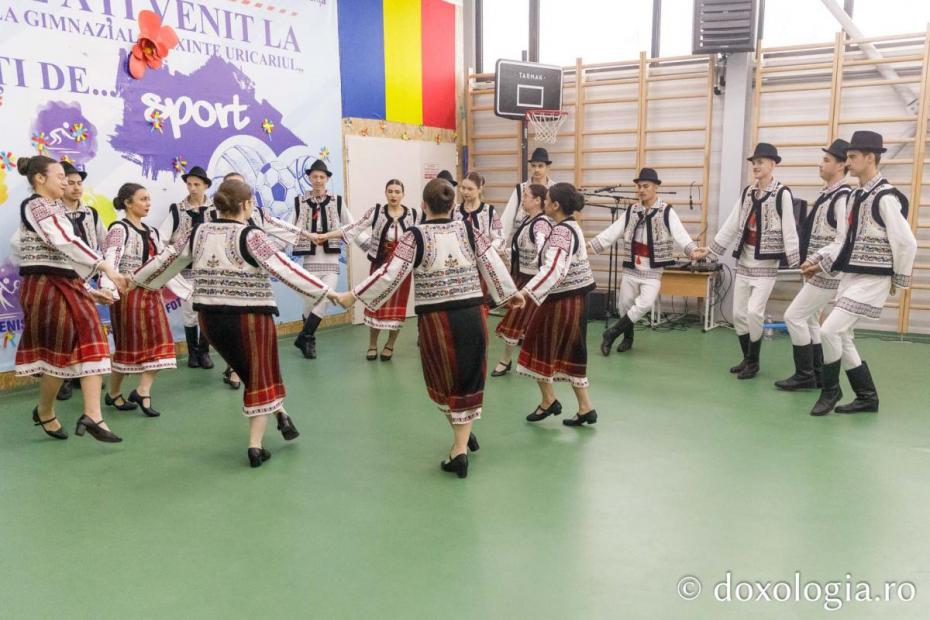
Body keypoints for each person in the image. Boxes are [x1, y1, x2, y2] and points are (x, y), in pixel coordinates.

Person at [132, 179, 342, 467]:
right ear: (246, 205)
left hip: (211, 320)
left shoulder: (198, 232)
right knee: (260, 376)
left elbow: (165, 261)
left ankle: (281, 414)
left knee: (246, 371)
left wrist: (133, 280)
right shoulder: (251, 235)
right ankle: (255, 446)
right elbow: (285, 268)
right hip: (250, 319)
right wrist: (329, 293)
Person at [335, 178, 521, 479]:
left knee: (443, 380)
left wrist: (353, 295)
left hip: (436, 320)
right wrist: (511, 294)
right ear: (453, 205)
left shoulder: (415, 236)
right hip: (472, 314)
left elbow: (389, 274)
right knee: (469, 378)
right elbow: (493, 264)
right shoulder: (470, 231)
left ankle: (459, 450)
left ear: (423, 206)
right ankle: (463, 437)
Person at [13, 155, 127, 443]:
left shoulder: (57, 209)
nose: (66, 182)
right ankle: (45, 410)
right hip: (45, 286)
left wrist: (89, 289)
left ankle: (93, 415)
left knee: (93, 338)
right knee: (59, 352)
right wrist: (105, 267)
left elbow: (68, 256)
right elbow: (63, 241)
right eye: (60, 176)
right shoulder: (35, 205)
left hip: (69, 284)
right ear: (40, 179)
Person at [803, 131, 917, 416]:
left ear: (870, 158)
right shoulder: (856, 195)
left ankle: (831, 390)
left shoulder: (885, 197)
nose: (849, 162)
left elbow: (906, 242)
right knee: (842, 336)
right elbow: (843, 239)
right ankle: (867, 397)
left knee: (829, 330)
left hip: (874, 279)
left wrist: (899, 279)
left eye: (853, 157)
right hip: (852, 276)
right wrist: (820, 260)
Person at [693, 143, 800, 379]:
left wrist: (796, 262)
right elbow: (732, 224)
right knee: (739, 314)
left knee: (754, 312)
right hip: (744, 261)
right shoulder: (748, 193)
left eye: (760, 162)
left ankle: (754, 361)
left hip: (765, 265)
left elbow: (789, 229)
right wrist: (710, 250)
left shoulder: (782, 193)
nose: (756, 166)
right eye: (754, 163)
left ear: (773, 164)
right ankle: (748, 359)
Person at [512, 182, 598, 427]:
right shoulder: (568, 226)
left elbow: (553, 270)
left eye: (547, 199)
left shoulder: (561, 232)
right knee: (573, 349)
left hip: (564, 299)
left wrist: (526, 292)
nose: (544, 202)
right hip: (573, 297)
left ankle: (550, 400)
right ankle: (585, 407)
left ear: (556, 205)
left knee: (535, 344)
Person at [100, 183, 189, 418]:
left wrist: (187, 290)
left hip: (151, 293)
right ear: (128, 203)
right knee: (127, 347)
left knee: (161, 343)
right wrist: (108, 289)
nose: (148, 203)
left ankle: (142, 390)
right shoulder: (119, 229)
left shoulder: (151, 232)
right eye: (143, 199)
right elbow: (111, 260)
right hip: (128, 295)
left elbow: (162, 263)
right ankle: (114, 393)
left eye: (149, 199)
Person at [591, 168, 701, 355]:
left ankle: (612, 333)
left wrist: (692, 249)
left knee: (644, 304)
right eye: (639, 186)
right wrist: (592, 245)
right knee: (624, 305)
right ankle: (628, 338)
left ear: (655, 187)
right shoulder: (632, 210)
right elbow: (613, 231)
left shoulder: (666, 211)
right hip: (632, 267)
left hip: (652, 269)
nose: (641, 190)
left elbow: (680, 234)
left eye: (646, 186)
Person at [775, 139, 851, 391]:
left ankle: (805, 374)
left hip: (827, 272)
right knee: (809, 320)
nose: (821, 164)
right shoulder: (828, 195)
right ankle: (817, 373)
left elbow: (842, 239)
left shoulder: (842, 197)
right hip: (819, 270)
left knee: (793, 316)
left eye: (827, 160)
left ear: (841, 165)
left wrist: (818, 262)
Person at [318, 179, 418, 361]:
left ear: (403, 194)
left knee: (397, 307)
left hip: (402, 267)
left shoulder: (413, 215)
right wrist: (326, 235)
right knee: (375, 302)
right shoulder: (377, 212)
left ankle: (390, 345)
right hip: (380, 263)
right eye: (390, 191)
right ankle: (372, 344)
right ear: (385, 193)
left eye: (397, 192)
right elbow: (353, 228)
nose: (393, 195)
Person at [290, 159, 354, 359]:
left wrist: (332, 235)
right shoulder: (299, 202)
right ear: (309, 178)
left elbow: (351, 226)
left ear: (327, 179)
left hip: (331, 260)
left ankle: (306, 336)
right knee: (310, 300)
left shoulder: (337, 201)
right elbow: (289, 228)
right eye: (315, 176)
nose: (318, 180)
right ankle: (308, 340)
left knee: (325, 296)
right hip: (310, 261)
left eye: (322, 177)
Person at [56, 161, 107, 401]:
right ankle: (63, 376)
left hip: (89, 278)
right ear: (61, 184)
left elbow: (104, 241)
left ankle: (83, 373)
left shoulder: (91, 213)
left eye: (79, 183)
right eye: (71, 183)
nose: (76, 188)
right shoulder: (53, 214)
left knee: (87, 326)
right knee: (65, 328)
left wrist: (106, 271)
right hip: (64, 278)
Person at [156, 165, 215, 369]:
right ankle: (193, 353)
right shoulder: (177, 210)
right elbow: (161, 238)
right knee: (190, 312)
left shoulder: (216, 209)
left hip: (210, 268)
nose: (192, 188)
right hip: (187, 270)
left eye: (197, 184)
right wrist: (171, 256)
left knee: (207, 310)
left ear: (205, 186)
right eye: (189, 184)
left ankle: (204, 352)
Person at [491, 183, 551, 376]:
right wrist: (505, 253)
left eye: (526, 196)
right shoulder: (527, 219)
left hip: (532, 281)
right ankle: (511, 361)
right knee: (518, 319)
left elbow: (542, 246)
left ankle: (510, 361)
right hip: (521, 277)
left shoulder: (541, 224)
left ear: (537, 201)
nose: (522, 199)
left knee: (519, 320)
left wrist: (537, 259)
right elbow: (521, 247)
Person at [500, 147, 555, 248]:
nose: (536, 169)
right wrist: (500, 245)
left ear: (548, 167)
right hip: (523, 246)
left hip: (549, 245)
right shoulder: (521, 189)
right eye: (533, 166)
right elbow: (507, 219)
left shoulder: (555, 190)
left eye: (540, 166)